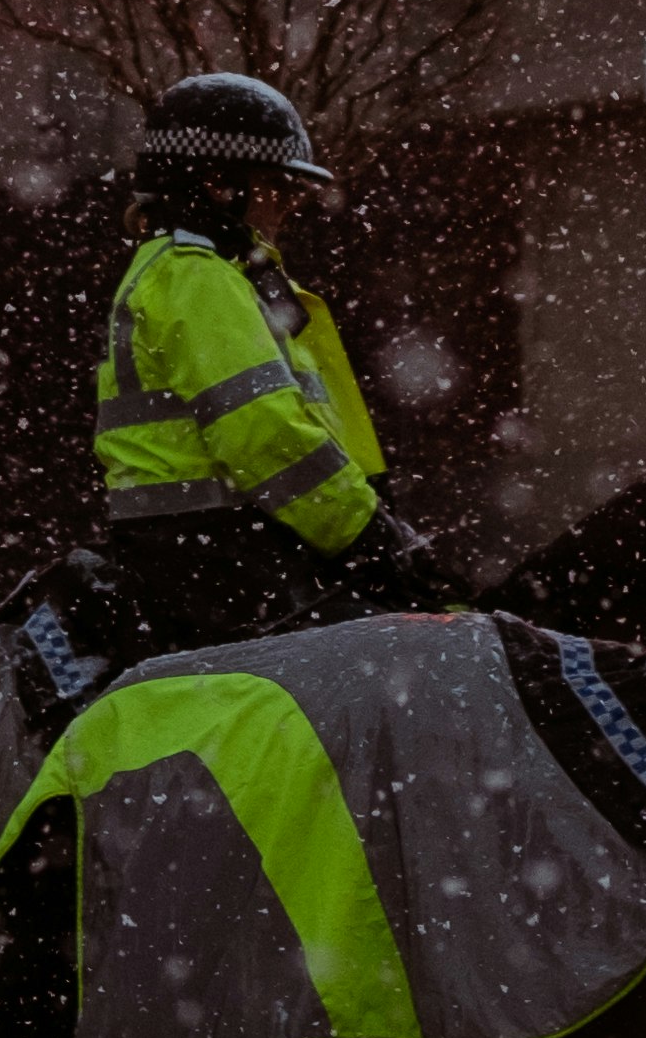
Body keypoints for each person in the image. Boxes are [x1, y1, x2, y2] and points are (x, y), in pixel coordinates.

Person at [87, 72, 448, 653]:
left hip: (212, 553)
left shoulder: (204, 274)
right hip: (218, 562)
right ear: (217, 186)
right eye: (276, 187)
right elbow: (264, 434)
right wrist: (366, 534)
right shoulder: (197, 277)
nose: (290, 205)